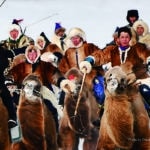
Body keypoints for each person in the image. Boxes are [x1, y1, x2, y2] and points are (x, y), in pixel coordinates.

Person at [79, 26, 150, 113]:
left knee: (145, 92)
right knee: (103, 97)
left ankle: (148, 113)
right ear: (118, 39)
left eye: (127, 37)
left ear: (130, 38)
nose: (124, 39)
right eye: (122, 37)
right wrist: (89, 61)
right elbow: (100, 55)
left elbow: (146, 54)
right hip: (115, 82)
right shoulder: (112, 50)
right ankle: (99, 117)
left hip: (134, 81)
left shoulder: (137, 48)